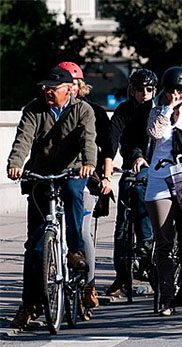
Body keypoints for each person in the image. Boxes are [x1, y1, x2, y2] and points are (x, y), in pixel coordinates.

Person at [7, 66, 97, 329]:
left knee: (71, 192)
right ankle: (29, 304)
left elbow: (88, 140)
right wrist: (15, 164)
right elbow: (23, 139)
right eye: (45, 87)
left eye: (53, 88)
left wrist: (89, 163)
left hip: (73, 170)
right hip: (41, 174)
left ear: (69, 89)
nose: (47, 91)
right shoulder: (34, 109)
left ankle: (74, 251)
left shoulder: (83, 110)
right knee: (34, 246)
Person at [57, 61, 112, 309]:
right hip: (57, 174)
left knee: (82, 230)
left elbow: (103, 145)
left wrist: (104, 174)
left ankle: (89, 284)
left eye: (76, 84)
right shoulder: (51, 109)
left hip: (86, 177)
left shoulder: (93, 112)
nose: (73, 89)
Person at [145, 66, 182, 316]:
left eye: (181, 90)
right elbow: (154, 133)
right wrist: (167, 109)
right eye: (172, 90)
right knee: (163, 241)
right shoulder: (156, 111)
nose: (176, 94)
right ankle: (166, 297)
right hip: (159, 177)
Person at [107, 68, 158, 297]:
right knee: (122, 219)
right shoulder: (125, 110)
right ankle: (121, 275)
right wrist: (107, 162)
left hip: (155, 166)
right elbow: (115, 137)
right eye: (139, 89)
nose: (144, 94)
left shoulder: (157, 110)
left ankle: (147, 243)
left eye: (149, 89)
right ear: (132, 90)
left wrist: (144, 158)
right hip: (131, 164)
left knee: (140, 191)